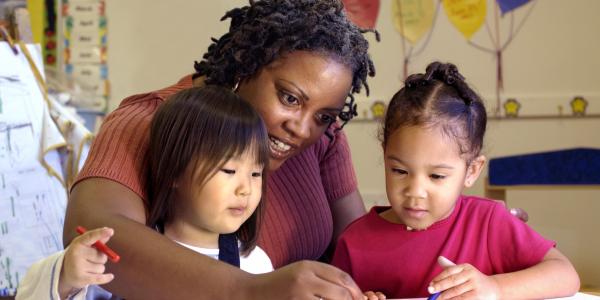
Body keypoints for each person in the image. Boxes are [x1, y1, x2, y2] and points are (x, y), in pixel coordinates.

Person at [63, 0, 375, 298]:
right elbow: (95, 233)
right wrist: (249, 291)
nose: (303, 129)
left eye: (323, 116)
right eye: (289, 98)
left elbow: (361, 249)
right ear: (245, 66)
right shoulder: (149, 121)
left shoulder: (323, 136)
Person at [331, 62, 580, 299]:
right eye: (399, 171)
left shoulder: (488, 222)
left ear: (471, 171)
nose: (415, 191)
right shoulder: (355, 242)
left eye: (436, 176)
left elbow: (565, 275)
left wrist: (494, 288)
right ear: (385, 156)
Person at [17, 86, 274, 299]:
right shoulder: (123, 255)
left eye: (256, 174)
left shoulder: (256, 264)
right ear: (175, 170)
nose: (246, 189)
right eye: (229, 171)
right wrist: (67, 278)